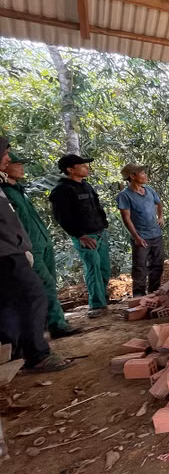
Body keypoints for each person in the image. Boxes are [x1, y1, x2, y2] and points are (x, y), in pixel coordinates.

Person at [0, 137, 74, 372]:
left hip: (23, 248)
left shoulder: (14, 190)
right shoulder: (5, 191)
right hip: (9, 252)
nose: (10, 159)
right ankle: (36, 354)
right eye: (6, 154)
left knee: (17, 301)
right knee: (35, 294)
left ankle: (15, 353)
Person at [50, 153, 111, 318]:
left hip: (99, 232)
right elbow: (62, 217)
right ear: (70, 170)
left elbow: (97, 208)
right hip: (85, 237)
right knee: (93, 268)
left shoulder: (86, 186)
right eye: (82, 165)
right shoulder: (62, 190)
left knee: (104, 268)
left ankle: (103, 299)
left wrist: (103, 226)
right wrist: (80, 236)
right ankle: (96, 305)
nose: (87, 168)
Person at [117, 164, 165, 297]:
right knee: (140, 267)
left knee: (158, 264)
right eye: (142, 173)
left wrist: (160, 217)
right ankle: (138, 295)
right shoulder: (125, 196)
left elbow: (159, 203)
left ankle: (154, 292)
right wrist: (136, 237)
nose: (145, 175)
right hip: (141, 237)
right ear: (132, 176)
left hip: (156, 234)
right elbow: (126, 219)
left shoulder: (149, 190)